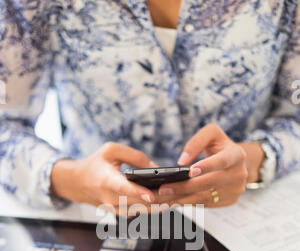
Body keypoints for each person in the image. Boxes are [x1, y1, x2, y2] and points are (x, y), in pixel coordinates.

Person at [0, 0, 299, 211]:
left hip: (242, 219)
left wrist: (255, 160)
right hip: (93, 220)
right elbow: (5, 125)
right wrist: (71, 179)